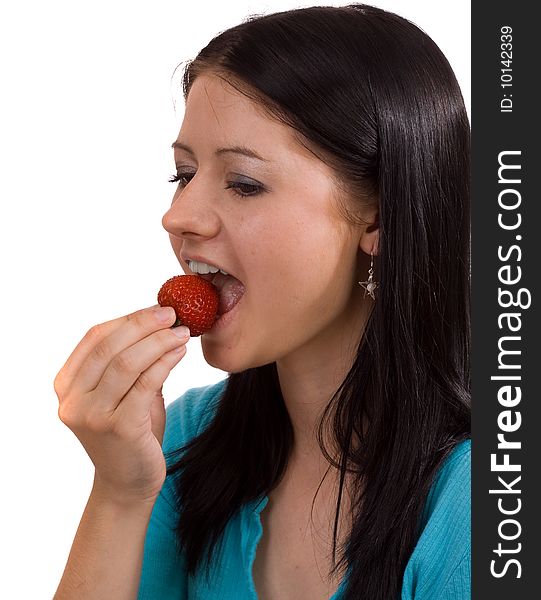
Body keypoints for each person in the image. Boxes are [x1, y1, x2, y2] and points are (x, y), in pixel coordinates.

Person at [53, 4, 471, 600]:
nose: (177, 217)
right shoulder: (184, 438)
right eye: (183, 174)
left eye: (244, 183)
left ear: (380, 216)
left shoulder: (489, 498)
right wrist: (119, 493)